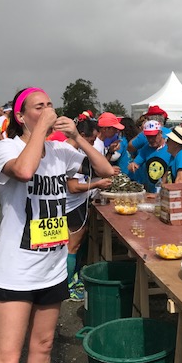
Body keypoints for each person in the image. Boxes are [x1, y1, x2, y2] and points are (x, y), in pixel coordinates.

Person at [0, 87, 113, 363]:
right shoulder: (7, 147)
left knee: (43, 347)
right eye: (39, 107)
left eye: (51, 105)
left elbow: (107, 171)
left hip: (51, 269)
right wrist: (40, 129)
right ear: (21, 116)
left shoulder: (59, 152)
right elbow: (25, 171)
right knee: (8, 361)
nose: (49, 110)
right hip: (15, 272)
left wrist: (78, 139)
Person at [64, 118, 113, 300]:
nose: (91, 145)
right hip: (72, 205)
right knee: (72, 246)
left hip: (76, 204)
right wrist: (97, 184)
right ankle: (67, 286)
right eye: (90, 141)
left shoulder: (70, 150)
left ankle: (72, 279)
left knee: (76, 244)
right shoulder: (70, 152)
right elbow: (73, 187)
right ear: (81, 136)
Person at [128, 120, 171, 192]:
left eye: (154, 136)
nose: (151, 139)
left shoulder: (170, 148)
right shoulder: (146, 149)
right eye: (148, 137)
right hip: (153, 192)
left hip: (168, 191)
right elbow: (136, 163)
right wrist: (133, 165)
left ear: (160, 133)